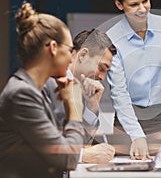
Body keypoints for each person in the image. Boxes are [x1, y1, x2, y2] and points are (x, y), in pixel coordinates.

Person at [0, 2, 84, 178]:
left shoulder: (32, 91)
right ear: (53, 48)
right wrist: (74, 107)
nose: (71, 58)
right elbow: (67, 157)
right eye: (70, 50)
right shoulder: (22, 94)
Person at [106, 0, 161, 160]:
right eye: (134, 4)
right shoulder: (111, 37)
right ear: (119, 5)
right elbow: (119, 92)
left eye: (146, 1)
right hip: (127, 122)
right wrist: (136, 135)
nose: (142, 9)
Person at [44, 29, 116, 164]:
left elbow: (79, 142)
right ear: (83, 55)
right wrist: (82, 155)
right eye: (101, 68)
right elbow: (38, 143)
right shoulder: (47, 82)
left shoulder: (81, 90)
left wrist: (91, 106)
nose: (102, 77)